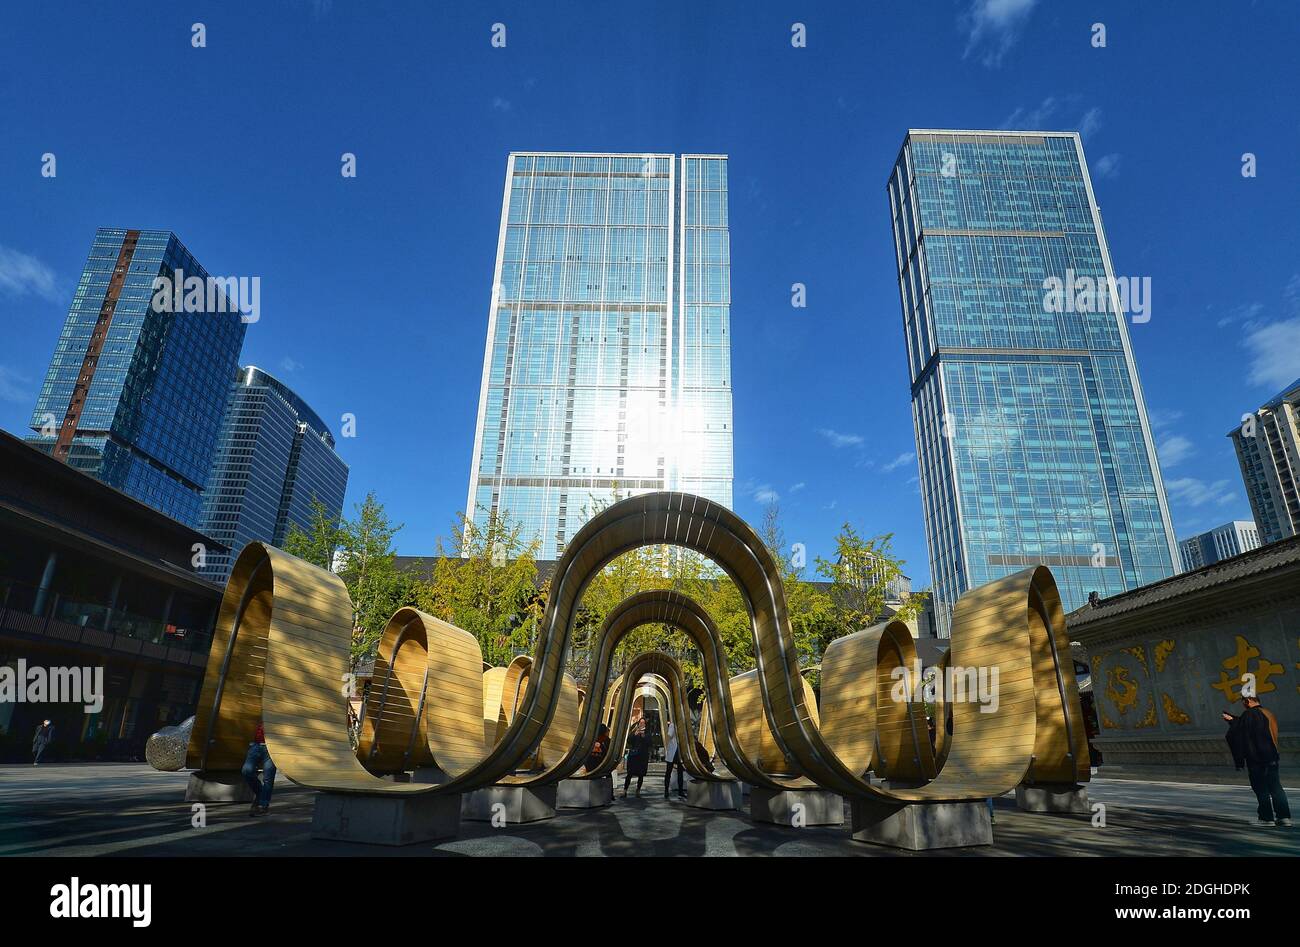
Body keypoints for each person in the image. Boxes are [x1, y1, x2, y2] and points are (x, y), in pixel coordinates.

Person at [1224, 694, 1292, 826]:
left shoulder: (1249, 714)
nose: (1243, 704)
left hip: (1256, 758)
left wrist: (1231, 722)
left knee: (1261, 789)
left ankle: (1266, 818)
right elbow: (1250, 727)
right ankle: (1284, 818)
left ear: (1248, 701)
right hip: (1271, 756)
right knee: (1276, 787)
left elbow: (1240, 732)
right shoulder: (1267, 713)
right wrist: (1234, 719)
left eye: (1243, 702)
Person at [241, 719, 277, 816]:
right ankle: (261, 794)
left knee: (268, 778)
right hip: (256, 745)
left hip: (272, 746)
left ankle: (263, 806)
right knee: (246, 771)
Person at [621, 717, 650, 798]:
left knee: (641, 774)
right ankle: (625, 790)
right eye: (640, 722)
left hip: (642, 756)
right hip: (633, 756)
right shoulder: (634, 730)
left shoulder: (647, 732)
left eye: (643, 723)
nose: (642, 724)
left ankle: (638, 791)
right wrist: (634, 734)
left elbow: (650, 743)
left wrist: (644, 736)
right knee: (629, 773)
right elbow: (629, 741)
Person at [663, 719, 686, 799]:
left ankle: (680, 791)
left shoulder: (684, 725)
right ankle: (666, 790)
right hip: (673, 750)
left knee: (680, 772)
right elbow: (669, 735)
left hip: (680, 750)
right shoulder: (673, 725)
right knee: (668, 771)